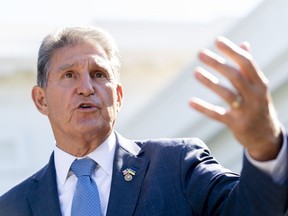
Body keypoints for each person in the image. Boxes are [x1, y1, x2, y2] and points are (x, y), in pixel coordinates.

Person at [0, 25, 287, 216]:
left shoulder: (176, 166)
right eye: (69, 75)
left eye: (99, 74)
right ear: (41, 100)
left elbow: (250, 209)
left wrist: (265, 146)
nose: (86, 87)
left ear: (119, 96)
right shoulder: (11, 206)